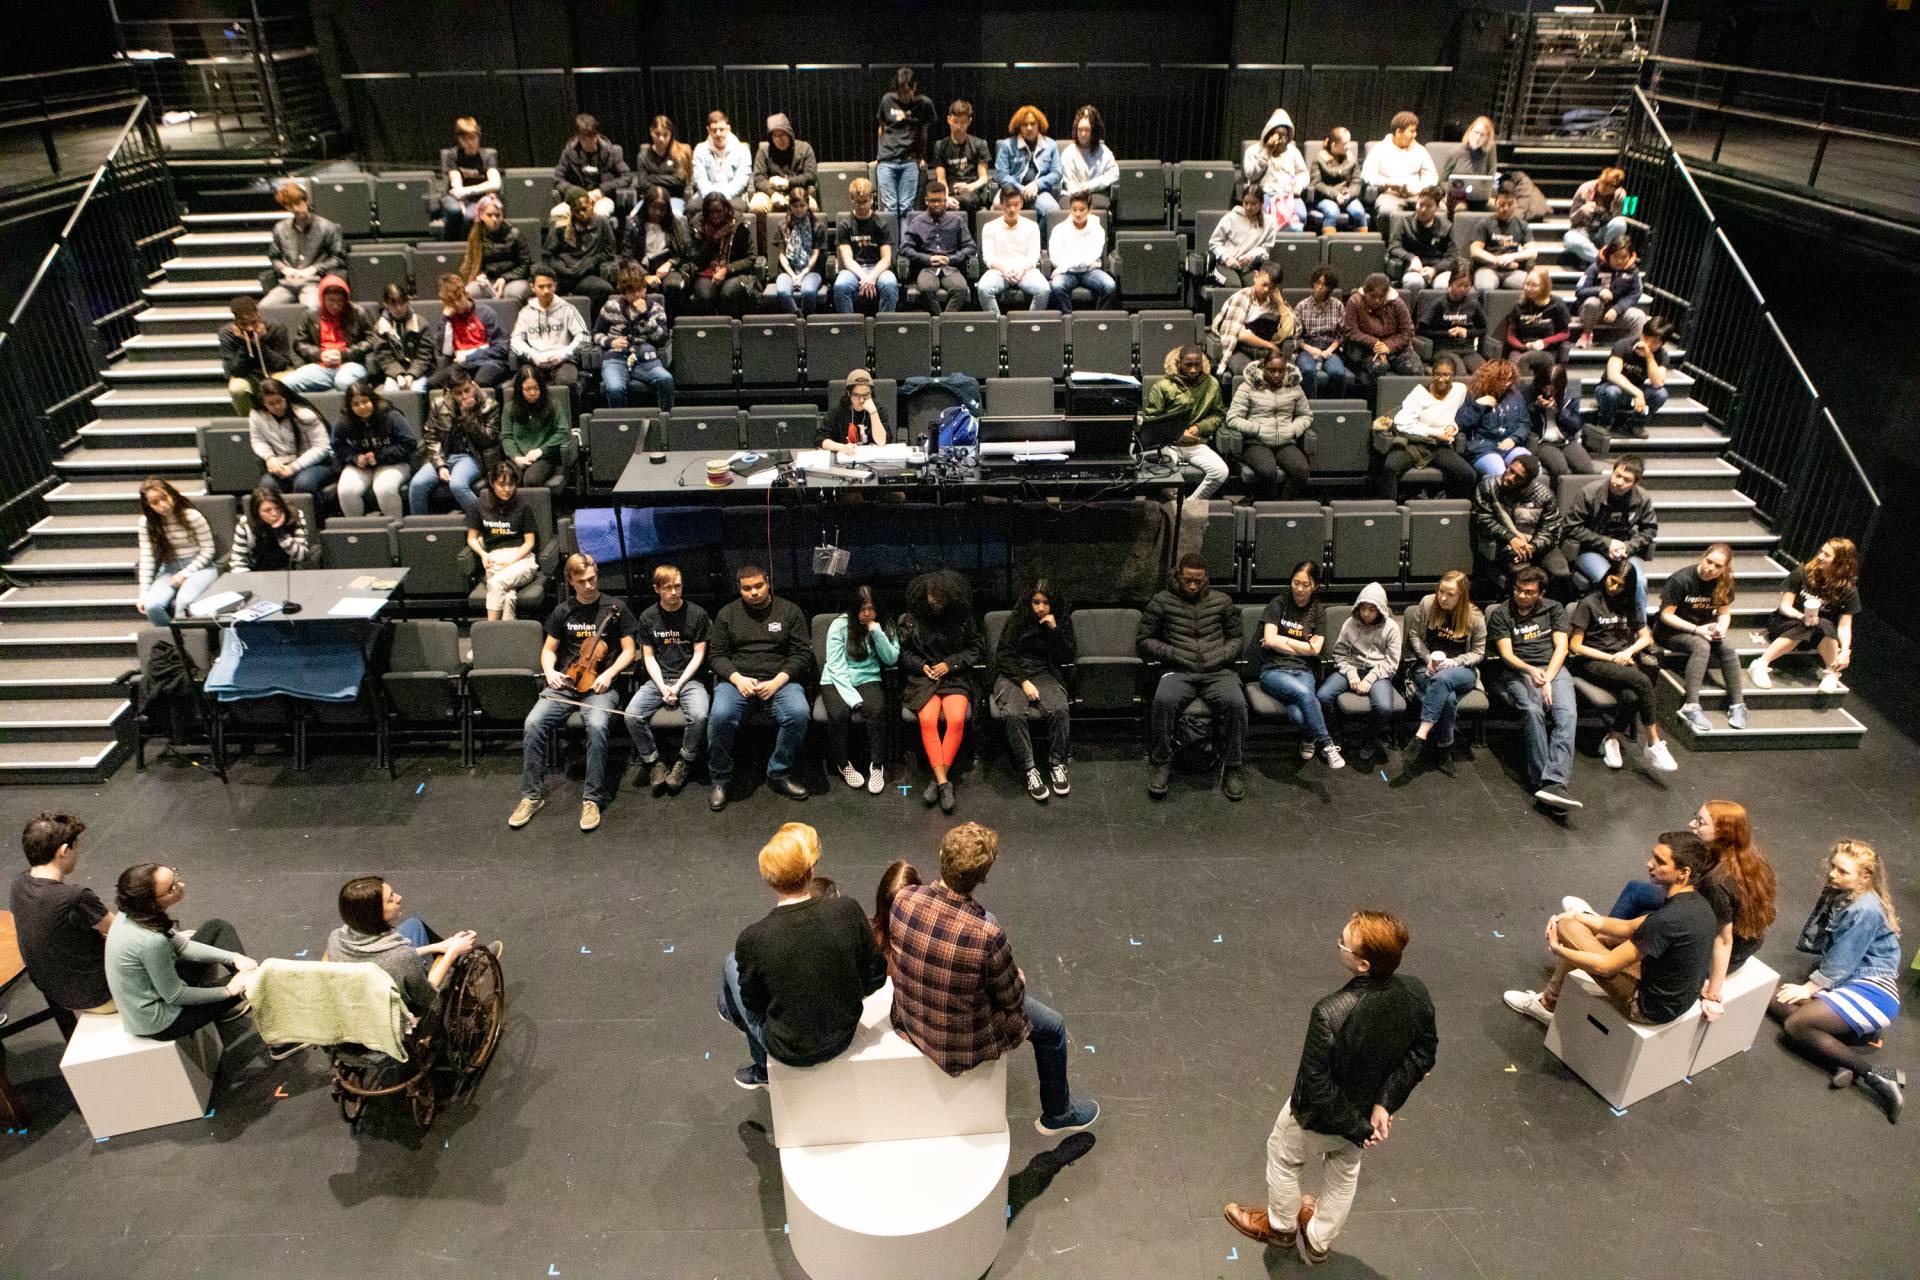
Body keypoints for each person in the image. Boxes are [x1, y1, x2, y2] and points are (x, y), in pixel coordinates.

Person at [1223, 910, 1436, 1266]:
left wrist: (1358, 1128)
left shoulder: (1330, 1012)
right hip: (1366, 1112)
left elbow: (1317, 1085)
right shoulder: (1415, 992)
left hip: (1321, 1117)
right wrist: (1383, 1104)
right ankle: (1319, 1240)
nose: (1339, 945)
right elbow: (1423, 1053)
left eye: (1343, 943)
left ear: (1363, 964)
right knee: (1344, 1172)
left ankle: (1281, 1227)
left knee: (1283, 1157)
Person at [886, 822, 1100, 1135]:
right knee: (1053, 1028)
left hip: (911, 1018)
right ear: (983, 876)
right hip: (959, 1043)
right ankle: (1058, 1113)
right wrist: (1018, 978)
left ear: (942, 855)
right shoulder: (987, 933)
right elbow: (1012, 999)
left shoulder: (904, 899)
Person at [721, 822, 888, 1089]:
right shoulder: (847, 910)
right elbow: (876, 976)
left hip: (789, 1050)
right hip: (844, 1033)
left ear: (769, 880)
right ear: (811, 871)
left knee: (731, 963)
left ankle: (762, 1068)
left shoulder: (753, 939)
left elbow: (754, 1004)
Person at [1503, 832, 1717, 1026]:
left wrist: (1558, 948)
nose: (1649, 864)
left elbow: (1605, 966)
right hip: (1676, 997)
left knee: (1567, 929)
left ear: (1683, 873)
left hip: (1646, 1006)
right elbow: (1628, 926)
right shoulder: (1697, 903)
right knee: (1585, 929)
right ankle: (1550, 997)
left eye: (1659, 862)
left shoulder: (1667, 920)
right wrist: (1579, 916)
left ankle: (1547, 1003)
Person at [1769, 840, 1904, 1121]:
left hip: (1873, 991)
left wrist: (1809, 987)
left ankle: (1881, 1075)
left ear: (1864, 878)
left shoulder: (1864, 908)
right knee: (1773, 996)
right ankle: (1841, 1062)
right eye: (1833, 866)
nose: (1832, 874)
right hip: (1847, 984)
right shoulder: (1844, 895)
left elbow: (1842, 958)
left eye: (1842, 871)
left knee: (1796, 1024)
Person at [1573, 800, 1775, 985]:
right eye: (1696, 817)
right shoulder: (1739, 855)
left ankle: (1595, 949)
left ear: (1723, 833)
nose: (1691, 824)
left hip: (1720, 953)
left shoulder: (1717, 884)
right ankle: (1600, 933)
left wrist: (1714, 990)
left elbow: (1722, 939)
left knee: (1652, 929)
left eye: (1700, 822)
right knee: (1636, 891)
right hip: (1712, 918)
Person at [510, 552, 636, 833]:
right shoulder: (562, 611)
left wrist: (609, 673)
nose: (589, 586)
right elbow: (548, 650)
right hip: (567, 684)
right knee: (533, 723)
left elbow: (629, 650)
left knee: (598, 725)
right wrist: (550, 671)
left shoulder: (616, 607)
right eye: (582, 581)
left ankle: (592, 798)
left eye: (592, 579)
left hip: (600, 686)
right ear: (570, 581)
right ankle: (531, 796)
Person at [105, 863, 255, 1042]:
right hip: (163, 1021)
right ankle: (275, 1036)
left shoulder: (131, 913)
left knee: (217, 927)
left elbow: (184, 947)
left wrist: (234, 957)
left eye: (175, 877)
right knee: (256, 977)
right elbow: (175, 995)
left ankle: (250, 991)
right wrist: (228, 991)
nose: (181, 885)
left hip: (159, 989)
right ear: (152, 902)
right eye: (172, 888)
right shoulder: (151, 941)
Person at [1139, 554, 1248, 801]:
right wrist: (1174, 653)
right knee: (1163, 701)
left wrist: (1221, 655)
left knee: (1237, 704)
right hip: (1179, 669)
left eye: (1197, 581)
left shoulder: (1222, 601)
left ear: (1205, 578)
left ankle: (1233, 765)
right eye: (1187, 580)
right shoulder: (1162, 601)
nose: (1192, 586)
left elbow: (1237, 639)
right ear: (1178, 575)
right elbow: (1144, 640)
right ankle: (1161, 762)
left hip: (1217, 670)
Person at [706, 563, 813, 811]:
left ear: (768, 583)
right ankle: (720, 778)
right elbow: (717, 656)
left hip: (779, 681)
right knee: (720, 715)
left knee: (798, 713)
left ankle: (779, 772)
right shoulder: (727, 613)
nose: (753, 592)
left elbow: (802, 654)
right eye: (747, 588)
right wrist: (737, 678)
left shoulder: (789, 611)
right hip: (738, 682)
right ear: (739, 588)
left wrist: (777, 681)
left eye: (758, 586)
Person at [1485, 566, 1581, 810]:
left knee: (1567, 715)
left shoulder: (1554, 608)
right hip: (1520, 670)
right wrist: (1531, 671)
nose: (1521, 595)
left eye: (1528, 592)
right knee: (1532, 710)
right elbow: (1507, 655)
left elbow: (1562, 648)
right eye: (1518, 589)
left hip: (1553, 668)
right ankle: (1541, 782)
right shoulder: (1502, 613)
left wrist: (1548, 678)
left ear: (1541, 594)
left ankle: (1556, 781)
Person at [1569, 563, 1677, 772]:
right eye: (1613, 581)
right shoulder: (1589, 603)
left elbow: (1646, 638)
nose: (1614, 588)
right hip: (1593, 662)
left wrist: (1628, 652)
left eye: (1621, 585)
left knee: (1632, 697)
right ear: (1606, 576)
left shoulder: (1630, 604)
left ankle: (1611, 739)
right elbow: (1576, 646)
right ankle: (1653, 742)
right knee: (1642, 680)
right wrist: (1611, 657)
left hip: (1622, 661)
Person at [11, 813, 116, 1026]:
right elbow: (122, 931)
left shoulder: (19, 884)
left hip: (56, 991)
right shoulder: (74, 898)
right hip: (100, 995)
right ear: (64, 851)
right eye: (76, 848)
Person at [327, 877, 485, 1016]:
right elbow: (427, 996)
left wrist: (437, 946)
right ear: (375, 914)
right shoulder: (402, 957)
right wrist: (452, 952)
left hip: (361, 1000)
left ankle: (461, 963)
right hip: (399, 1011)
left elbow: (383, 959)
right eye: (391, 899)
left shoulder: (336, 938)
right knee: (445, 974)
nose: (399, 898)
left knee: (414, 925)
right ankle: (465, 970)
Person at [899, 570, 979, 815]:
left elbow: (975, 648)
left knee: (956, 719)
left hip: (953, 676)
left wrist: (951, 664)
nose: (933, 600)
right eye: (931, 595)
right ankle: (945, 783)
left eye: (939, 597)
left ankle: (937, 780)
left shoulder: (963, 618)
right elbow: (904, 653)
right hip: (925, 678)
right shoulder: (912, 618)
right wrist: (921, 666)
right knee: (928, 720)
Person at [626, 562, 709, 795]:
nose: (674, 592)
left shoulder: (697, 614)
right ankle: (654, 761)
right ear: (657, 589)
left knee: (700, 715)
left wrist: (679, 685)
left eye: (678, 586)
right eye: (667, 588)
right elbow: (648, 657)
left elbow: (699, 655)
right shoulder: (648, 617)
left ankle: (685, 761)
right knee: (631, 715)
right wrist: (663, 687)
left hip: (690, 680)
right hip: (658, 680)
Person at [992, 578, 1076, 802]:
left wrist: (1054, 631)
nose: (1040, 608)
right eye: (1036, 602)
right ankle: (1029, 768)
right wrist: (1023, 681)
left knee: (1059, 709)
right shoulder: (1017, 619)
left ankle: (1056, 762)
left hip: (1043, 672)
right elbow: (1003, 656)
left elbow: (1067, 656)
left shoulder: (1060, 620)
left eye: (1045, 603)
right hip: (1013, 673)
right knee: (1013, 713)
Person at [1258, 560, 1343, 768]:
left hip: (1303, 670)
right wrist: (1303, 646)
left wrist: (1282, 640)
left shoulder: (1318, 611)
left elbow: (1316, 649)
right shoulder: (1278, 604)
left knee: (1298, 713)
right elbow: (1269, 639)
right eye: (1296, 583)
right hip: (1274, 670)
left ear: (1315, 586)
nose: (1299, 589)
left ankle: (1308, 738)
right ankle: (1327, 744)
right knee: (1305, 695)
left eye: (1306, 584)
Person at [1659, 542, 1750, 733]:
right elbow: (1666, 616)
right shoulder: (1681, 579)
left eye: (1718, 566)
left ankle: (1737, 704)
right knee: (1701, 646)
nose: (1711, 568)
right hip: (1671, 631)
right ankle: (1690, 706)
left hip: (1703, 628)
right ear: (1703, 557)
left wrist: (1721, 627)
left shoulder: (1724, 582)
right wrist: (1696, 629)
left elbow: (1724, 613)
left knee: (1728, 650)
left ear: (1725, 568)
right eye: (1709, 562)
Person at [1751, 537, 1860, 695]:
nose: (1820, 557)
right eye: (1821, 552)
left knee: (1824, 623)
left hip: (1816, 632)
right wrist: (1801, 617)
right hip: (1785, 623)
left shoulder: (1848, 590)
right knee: (1809, 623)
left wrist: (1845, 650)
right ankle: (1760, 664)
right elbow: (1785, 606)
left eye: (1827, 555)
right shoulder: (1802, 573)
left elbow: (1844, 626)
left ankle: (1832, 672)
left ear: (1840, 562)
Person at [1401, 570, 1483, 775]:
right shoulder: (1427, 604)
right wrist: (1428, 659)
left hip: (1461, 670)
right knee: (1448, 699)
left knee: (1444, 677)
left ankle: (1421, 733)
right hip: (1426, 667)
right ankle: (1444, 748)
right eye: (1441, 591)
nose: (1443, 598)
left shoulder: (1475, 617)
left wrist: (1454, 662)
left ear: (1462, 596)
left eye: (1450, 594)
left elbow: (1478, 653)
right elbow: (1414, 636)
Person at [820, 584, 898, 796]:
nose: (867, 613)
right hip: (835, 678)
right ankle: (843, 763)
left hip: (867, 676)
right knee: (838, 713)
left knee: (877, 710)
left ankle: (877, 765)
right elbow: (835, 665)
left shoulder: (885, 624)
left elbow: (891, 658)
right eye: (862, 609)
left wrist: (877, 632)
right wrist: (852, 698)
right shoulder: (839, 625)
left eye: (871, 608)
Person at [1317, 581, 1403, 765]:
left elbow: (1391, 662)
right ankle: (1337, 735)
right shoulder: (1350, 623)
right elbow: (1339, 653)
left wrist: (1370, 679)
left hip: (1378, 672)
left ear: (1380, 609)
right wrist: (1351, 674)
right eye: (1363, 608)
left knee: (1384, 707)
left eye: (1372, 610)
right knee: (1323, 696)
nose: (1366, 614)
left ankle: (1369, 740)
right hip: (1351, 668)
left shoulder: (1391, 628)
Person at [1562, 455, 1656, 614]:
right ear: (1612, 472)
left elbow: (1649, 529)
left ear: (1636, 482)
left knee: (1639, 582)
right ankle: (1609, 624)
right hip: (1591, 549)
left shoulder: (1642, 498)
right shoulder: (1589, 493)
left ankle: (1640, 625)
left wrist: (1628, 546)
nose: (1619, 482)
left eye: (1627, 480)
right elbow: (1571, 527)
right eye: (1617, 475)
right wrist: (1607, 543)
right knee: (1610, 582)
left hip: (1623, 550)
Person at [1376, 353, 1475, 499]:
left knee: (1468, 475)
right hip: (1413, 443)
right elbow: (1402, 424)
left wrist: (1452, 427)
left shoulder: (1459, 390)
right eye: (1437, 374)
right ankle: (1388, 509)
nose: (1441, 379)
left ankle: (1452, 508)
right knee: (1390, 467)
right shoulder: (1420, 393)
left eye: (1446, 375)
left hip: (1438, 446)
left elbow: (1457, 415)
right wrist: (1436, 432)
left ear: (1453, 376)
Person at [410, 366, 501, 517]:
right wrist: (440, 465)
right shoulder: (439, 404)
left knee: (457, 485)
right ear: (449, 392)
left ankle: (486, 521)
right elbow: (431, 436)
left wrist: (467, 416)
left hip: (473, 456)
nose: (464, 396)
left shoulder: (489, 405)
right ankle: (419, 527)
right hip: (444, 455)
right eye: (458, 393)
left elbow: (488, 440)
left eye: (467, 390)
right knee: (417, 484)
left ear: (473, 384)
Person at [1473, 453, 1567, 595]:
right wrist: (1510, 538)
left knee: (1561, 574)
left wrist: (1533, 547)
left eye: (1518, 477)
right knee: (1523, 576)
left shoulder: (1545, 495)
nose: (1510, 477)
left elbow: (1551, 529)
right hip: (1503, 542)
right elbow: (1482, 520)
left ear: (1528, 481)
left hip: (1537, 545)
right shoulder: (1488, 486)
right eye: (1510, 470)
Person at [1143, 345, 1229, 500]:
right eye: (1188, 365)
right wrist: (1177, 435)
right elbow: (1152, 420)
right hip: (1168, 444)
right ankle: (1175, 504)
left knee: (1221, 472)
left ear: (1202, 363)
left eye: (1197, 365)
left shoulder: (1212, 384)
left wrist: (1199, 427)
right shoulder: (1163, 385)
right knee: (1164, 475)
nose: (1193, 370)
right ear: (1179, 363)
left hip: (1196, 443)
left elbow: (1218, 414)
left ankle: (1190, 504)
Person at [1225, 349, 1312, 499]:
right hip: (1256, 442)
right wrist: (1257, 429)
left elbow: (1306, 415)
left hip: (1285, 442)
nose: (1276, 375)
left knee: (1301, 471)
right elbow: (1232, 418)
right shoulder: (1248, 387)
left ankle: (1282, 506)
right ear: (1263, 367)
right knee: (1268, 472)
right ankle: (1266, 506)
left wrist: (1293, 430)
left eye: (1281, 370)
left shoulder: (1294, 386)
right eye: (1271, 370)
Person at [331, 379, 415, 518]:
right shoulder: (345, 421)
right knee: (347, 491)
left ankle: (395, 526)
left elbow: (409, 443)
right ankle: (357, 529)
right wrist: (353, 457)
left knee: (384, 488)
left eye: (365, 401)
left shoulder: (391, 415)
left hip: (393, 462)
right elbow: (337, 446)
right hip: (360, 466)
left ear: (373, 400)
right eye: (356, 404)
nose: (362, 407)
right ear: (350, 406)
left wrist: (379, 455)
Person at [595, 264, 675, 410]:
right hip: (615, 357)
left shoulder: (656, 309)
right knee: (614, 388)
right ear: (624, 293)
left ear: (645, 288)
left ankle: (667, 418)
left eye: (640, 290)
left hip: (644, 358)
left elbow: (662, 339)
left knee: (666, 379)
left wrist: (645, 316)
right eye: (632, 292)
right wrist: (610, 342)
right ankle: (622, 423)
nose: (638, 295)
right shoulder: (611, 307)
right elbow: (595, 334)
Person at [467, 463, 537, 621]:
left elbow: (529, 542)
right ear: (492, 483)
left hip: (521, 558)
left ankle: (490, 631)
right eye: (501, 484)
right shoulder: (479, 505)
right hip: (494, 558)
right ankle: (506, 635)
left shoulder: (523, 506)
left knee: (497, 583)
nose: (507, 489)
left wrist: (510, 562)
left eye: (511, 484)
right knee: (508, 595)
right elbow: (471, 538)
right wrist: (483, 554)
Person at [260, 181, 345, 308]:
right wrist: (285, 269)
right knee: (263, 308)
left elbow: (338, 258)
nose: (295, 209)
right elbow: (274, 257)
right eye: (290, 205)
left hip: (313, 282)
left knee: (312, 309)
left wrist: (313, 269)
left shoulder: (328, 227)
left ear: (306, 201)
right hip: (287, 283)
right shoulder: (280, 228)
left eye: (298, 203)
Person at [285, 274, 372, 394]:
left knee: (343, 381)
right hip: (320, 366)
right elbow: (300, 344)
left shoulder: (358, 312)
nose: (336, 306)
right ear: (322, 298)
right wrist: (320, 354)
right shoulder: (310, 314)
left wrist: (344, 355)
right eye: (331, 300)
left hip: (350, 363)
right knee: (287, 383)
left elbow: (371, 340)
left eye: (340, 301)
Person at [899, 181, 975, 315]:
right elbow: (905, 248)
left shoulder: (956, 221)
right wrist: (928, 259)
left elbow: (970, 246)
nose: (936, 204)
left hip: (950, 267)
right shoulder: (917, 222)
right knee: (926, 289)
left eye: (940, 201)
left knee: (961, 289)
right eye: (932, 201)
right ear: (926, 201)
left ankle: (944, 321)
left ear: (945, 201)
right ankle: (941, 320)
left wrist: (951, 259)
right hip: (927, 268)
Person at [248, 378, 334, 496]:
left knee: (303, 484)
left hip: (315, 464)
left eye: (280, 401)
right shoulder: (256, 415)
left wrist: (294, 467)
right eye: (271, 404)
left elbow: (322, 447)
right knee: (267, 485)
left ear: (286, 397)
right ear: (263, 404)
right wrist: (269, 457)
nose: (277, 406)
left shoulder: (305, 414)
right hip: (282, 464)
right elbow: (258, 440)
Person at [1340, 272, 1423, 393]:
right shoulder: (1355, 302)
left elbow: (1408, 331)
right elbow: (1351, 331)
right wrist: (1375, 343)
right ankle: (1374, 402)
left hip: (1396, 347)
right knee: (1379, 367)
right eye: (1373, 296)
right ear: (1365, 292)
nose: (1377, 300)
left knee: (1415, 369)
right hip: (1366, 348)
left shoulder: (1397, 303)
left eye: (1381, 297)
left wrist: (1388, 346)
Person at [425, 272, 511, 389]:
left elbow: (501, 348)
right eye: (451, 302)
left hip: (490, 362)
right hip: (463, 366)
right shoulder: (449, 319)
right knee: (431, 384)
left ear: (466, 294)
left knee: (480, 382)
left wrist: (469, 356)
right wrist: (445, 319)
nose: (457, 304)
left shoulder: (486, 313)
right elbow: (441, 350)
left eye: (459, 298)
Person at [543, 191, 617, 320]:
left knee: (604, 288)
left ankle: (585, 321)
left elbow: (609, 252)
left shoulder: (601, 223)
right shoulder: (562, 225)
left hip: (583, 276)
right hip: (562, 275)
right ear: (572, 211)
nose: (582, 214)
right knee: (541, 290)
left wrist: (591, 262)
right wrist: (563, 269)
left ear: (591, 205)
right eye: (577, 211)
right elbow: (547, 255)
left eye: (584, 209)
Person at [1595, 316, 1671, 440]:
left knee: (1661, 394)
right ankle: (1604, 423)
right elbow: (1613, 375)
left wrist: (1649, 357)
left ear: (1662, 344)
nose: (1648, 344)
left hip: (1635, 396)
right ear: (1641, 334)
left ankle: (1636, 424)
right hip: (1608, 389)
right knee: (1612, 391)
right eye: (1646, 338)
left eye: (1654, 342)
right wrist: (1637, 392)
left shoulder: (1662, 356)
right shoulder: (1623, 345)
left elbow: (1657, 383)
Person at [510, 270, 589, 388]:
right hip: (535, 360)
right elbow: (515, 340)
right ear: (533, 288)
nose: (546, 291)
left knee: (566, 382)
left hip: (563, 361)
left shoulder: (568, 309)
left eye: (549, 286)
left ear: (555, 286)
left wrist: (565, 353)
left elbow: (584, 336)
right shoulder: (525, 312)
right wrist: (532, 354)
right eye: (541, 287)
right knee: (522, 384)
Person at [975, 187, 1047, 316]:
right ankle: (997, 323)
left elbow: (1033, 256)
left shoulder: (1032, 226)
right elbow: (988, 258)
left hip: (1025, 270)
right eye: (1008, 205)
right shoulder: (989, 227)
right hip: (999, 270)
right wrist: (1004, 269)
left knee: (1044, 289)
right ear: (1001, 204)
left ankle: (1031, 324)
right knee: (983, 288)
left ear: (1021, 204)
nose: (1012, 209)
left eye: (1016, 204)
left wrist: (1022, 269)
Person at [1211, 259, 1289, 377]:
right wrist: (1270, 345)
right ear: (1255, 276)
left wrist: (1281, 303)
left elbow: (1292, 330)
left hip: (1265, 352)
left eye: (1272, 287)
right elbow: (1242, 335)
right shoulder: (1241, 298)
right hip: (1241, 350)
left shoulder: (1275, 302)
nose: (1267, 290)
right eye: (1264, 284)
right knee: (1248, 371)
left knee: (1281, 372)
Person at [832, 177, 899, 314]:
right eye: (858, 202)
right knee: (840, 285)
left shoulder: (881, 224)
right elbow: (847, 260)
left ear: (871, 199)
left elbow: (886, 259)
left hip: (878, 269)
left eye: (865, 202)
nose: (862, 206)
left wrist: (872, 277)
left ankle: (885, 324)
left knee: (890, 284)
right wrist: (865, 277)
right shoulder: (844, 225)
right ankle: (849, 325)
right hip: (854, 270)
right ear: (852, 199)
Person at [219, 295, 295, 415]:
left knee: (285, 382)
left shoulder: (276, 328)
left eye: (253, 322)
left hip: (274, 371)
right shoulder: (227, 334)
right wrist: (246, 344)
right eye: (243, 324)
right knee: (237, 388)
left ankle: (286, 416)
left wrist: (261, 344)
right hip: (247, 375)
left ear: (258, 315)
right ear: (235, 321)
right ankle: (249, 421)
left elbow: (281, 364)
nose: (250, 328)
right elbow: (234, 371)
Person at [1455, 358, 1531, 479]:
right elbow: (1460, 423)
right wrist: (1479, 406)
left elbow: (1525, 424)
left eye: (1510, 380)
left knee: (1532, 468)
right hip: (1482, 449)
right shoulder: (1473, 394)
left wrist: (1514, 438)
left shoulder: (1516, 396)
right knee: (1500, 474)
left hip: (1510, 447)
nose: (1507, 384)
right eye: (1503, 380)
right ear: (1492, 378)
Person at [686, 191, 757, 317]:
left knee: (728, 292)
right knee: (705, 295)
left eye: (719, 211)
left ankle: (732, 327)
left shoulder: (739, 225)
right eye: (711, 212)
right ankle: (711, 328)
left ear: (726, 209)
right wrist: (713, 239)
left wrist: (726, 269)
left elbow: (750, 258)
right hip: (706, 271)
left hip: (735, 272)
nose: (715, 216)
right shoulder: (698, 226)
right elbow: (695, 258)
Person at [625, 184, 693, 314]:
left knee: (673, 285)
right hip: (640, 268)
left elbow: (686, 253)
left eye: (662, 209)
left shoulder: (675, 224)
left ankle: (672, 322)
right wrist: (645, 276)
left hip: (668, 269)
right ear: (647, 206)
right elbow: (628, 257)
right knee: (636, 286)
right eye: (654, 208)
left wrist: (670, 263)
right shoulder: (634, 224)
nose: (658, 212)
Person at [875, 68, 935, 215]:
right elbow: (881, 128)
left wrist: (921, 156)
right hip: (887, 159)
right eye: (900, 92)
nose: (904, 96)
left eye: (907, 92)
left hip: (909, 160)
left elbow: (924, 133)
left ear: (914, 87)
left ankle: (905, 232)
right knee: (890, 207)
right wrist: (880, 155)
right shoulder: (887, 100)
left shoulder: (924, 104)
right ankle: (892, 232)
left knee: (906, 207)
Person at [1045, 191, 1115, 313]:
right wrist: (1068, 267)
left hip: (1089, 271)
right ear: (1070, 209)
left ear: (1089, 210)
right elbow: (1055, 257)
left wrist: (1067, 265)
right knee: (1057, 286)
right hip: (1067, 273)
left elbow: (1092, 256)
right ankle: (1068, 319)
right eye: (1074, 209)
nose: (1077, 214)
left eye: (1082, 210)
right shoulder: (1059, 229)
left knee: (1110, 286)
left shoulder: (1097, 229)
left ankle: (1099, 319)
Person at [551, 113, 628, 221]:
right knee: (557, 213)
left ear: (597, 135)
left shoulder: (613, 151)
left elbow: (626, 177)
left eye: (591, 137)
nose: (588, 142)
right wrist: (576, 193)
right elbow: (558, 179)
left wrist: (602, 190)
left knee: (599, 214)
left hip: (602, 198)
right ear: (578, 137)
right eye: (584, 139)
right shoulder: (569, 152)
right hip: (577, 199)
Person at [1525, 362, 1595, 481]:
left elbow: (1576, 424)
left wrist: (1559, 411)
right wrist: (1536, 407)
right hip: (1543, 442)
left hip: (1566, 440)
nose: (1548, 393)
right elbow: (1524, 421)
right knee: (1561, 469)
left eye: (1552, 389)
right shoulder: (1529, 392)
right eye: (1545, 388)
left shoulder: (1571, 394)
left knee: (1587, 469)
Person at [1361, 111, 1438, 218]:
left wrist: (1418, 188)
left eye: (1415, 131)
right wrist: (1389, 183)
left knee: (1438, 209)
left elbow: (1432, 177)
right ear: (1398, 132)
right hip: (1390, 194)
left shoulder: (1420, 150)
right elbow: (1367, 175)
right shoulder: (1379, 149)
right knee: (1386, 211)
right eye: (1411, 131)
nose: (1415, 135)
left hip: (1418, 194)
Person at [501, 366, 568, 488]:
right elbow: (506, 437)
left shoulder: (552, 405)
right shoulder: (509, 408)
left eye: (536, 388)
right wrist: (516, 457)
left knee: (531, 480)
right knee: (508, 479)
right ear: (520, 389)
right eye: (527, 389)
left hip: (544, 457)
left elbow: (563, 432)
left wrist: (541, 450)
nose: (532, 393)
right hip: (519, 457)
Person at [1243, 108, 1309, 230]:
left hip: (1288, 193)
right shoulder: (1253, 151)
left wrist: (1298, 185)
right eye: (1278, 136)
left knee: (1301, 215)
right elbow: (1250, 174)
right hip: (1264, 193)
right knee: (1266, 216)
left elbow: (1303, 174)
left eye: (1285, 137)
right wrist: (1267, 152)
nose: (1281, 141)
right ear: (1269, 134)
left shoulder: (1293, 152)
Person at [459, 194, 533, 302]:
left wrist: (505, 278)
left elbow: (525, 265)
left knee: (513, 293)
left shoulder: (515, 234)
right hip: (488, 280)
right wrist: (479, 275)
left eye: (498, 215)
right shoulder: (475, 235)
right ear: (481, 215)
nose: (494, 219)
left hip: (513, 279)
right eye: (489, 215)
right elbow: (470, 262)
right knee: (470, 292)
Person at [994, 105, 1062, 220]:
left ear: (1039, 124)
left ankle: (1037, 232)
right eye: (1025, 124)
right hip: (1011, 190)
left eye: (1032, 123)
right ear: (1019, 126)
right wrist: (1021, 189)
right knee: (996, 205)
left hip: (1039, 192)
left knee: (1053, 211)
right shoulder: (1007, 145)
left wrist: (1037, 184)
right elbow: (1001, 175)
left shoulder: (1051, 145)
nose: (1029, 128)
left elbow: (1057, 173)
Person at [438, 116, 500, 243]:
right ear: (459, 140)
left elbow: (495, 183)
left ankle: (469, 246)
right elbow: (456, 185)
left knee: (471, 216)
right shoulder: (453, 155)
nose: (469, 143)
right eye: (465, 139)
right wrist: (462, 202)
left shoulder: (487, 156)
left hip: (479, 197)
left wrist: (468, 191)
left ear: (478, 137)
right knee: (454, 210)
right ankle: (448, 245)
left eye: (472, 138)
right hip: (456, 197)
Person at [1413, 267, 1486, 374]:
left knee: (1486, 374)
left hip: (1467, 349)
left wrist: (1467, 332)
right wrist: (1446, 333)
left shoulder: (1473, 304)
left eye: (1467, 286)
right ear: (1450, 284)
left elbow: (1483, 329)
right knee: (1461, 374)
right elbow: (1421, 330)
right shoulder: (1438, 304)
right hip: (1444, 349)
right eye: (1459, 285)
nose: (1462, 289)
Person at [1503, 266, 1570, 383]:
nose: (1528, 288)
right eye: (1527, 284)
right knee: (1515, 367)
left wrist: (1545, 342)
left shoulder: (1556, 304)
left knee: (1536, 362)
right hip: (1522, 348)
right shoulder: (1519, 306)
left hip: (1546, 350)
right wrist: (1525, 346)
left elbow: (1565, 333)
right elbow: (1511, 335)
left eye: (1534, 285)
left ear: (1544, 287)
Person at [1573, 238, 1645, 346]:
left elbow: (1635, 295)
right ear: (1609, 255)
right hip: (1593, 312)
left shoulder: (1633, 271)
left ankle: (1633, 345)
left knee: (1639, 316)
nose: (1619, 261)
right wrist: (1599, 290)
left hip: (1618, 312)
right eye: (1616, 256)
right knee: (1592, 303)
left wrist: (1617, 309)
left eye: (1624, 257)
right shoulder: (1595, 268)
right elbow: (1580, 291)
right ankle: (1587, 334)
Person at [765, 187, 824, 317]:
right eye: (795, 206)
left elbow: (815, 255)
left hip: (811, 270)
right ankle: (799, 319)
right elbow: (782, 254)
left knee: (808, 292)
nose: (799, 209)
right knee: (783, 292)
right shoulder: (783, 225)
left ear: (808, 205)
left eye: (802, 206)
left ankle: (806, 320)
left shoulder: (817, 226)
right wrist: (792, 275)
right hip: (788, 270)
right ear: (790, 206)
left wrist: (802, 274)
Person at [1291, 266, 1349, 396]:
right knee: (1308, 371)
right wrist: (1311, 349)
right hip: (1307, 348)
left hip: (1330, 349)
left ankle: (1334, 405)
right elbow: (1295, 336)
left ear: (1330, 287)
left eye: (1324, 284)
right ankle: (1309, 404)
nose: (1320, 287)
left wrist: (1329, 350)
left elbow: (1341, 335)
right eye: (1318, 283)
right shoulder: (1302, 306)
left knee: (1338, 373)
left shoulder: (1338, 305)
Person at [230, 485, 314, 573]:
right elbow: (238, 561)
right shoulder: (245, 525)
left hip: (291, 572)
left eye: (278, 508)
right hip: (258, 572)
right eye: (267, 510)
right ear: (257, 512)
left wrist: (280, 534)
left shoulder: (294, 516)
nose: (274, 514)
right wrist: (248, 579)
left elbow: (302, 556)